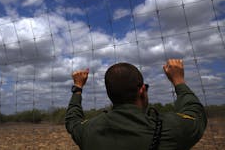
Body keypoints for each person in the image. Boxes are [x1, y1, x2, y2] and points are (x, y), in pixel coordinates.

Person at [65, 59, 207, 150]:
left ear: (110, 95)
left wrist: (78, 87)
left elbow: (72, 120)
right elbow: (196, 114)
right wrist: (178, 80)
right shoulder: (170, 128)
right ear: (142, 90)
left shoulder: (88, 131)